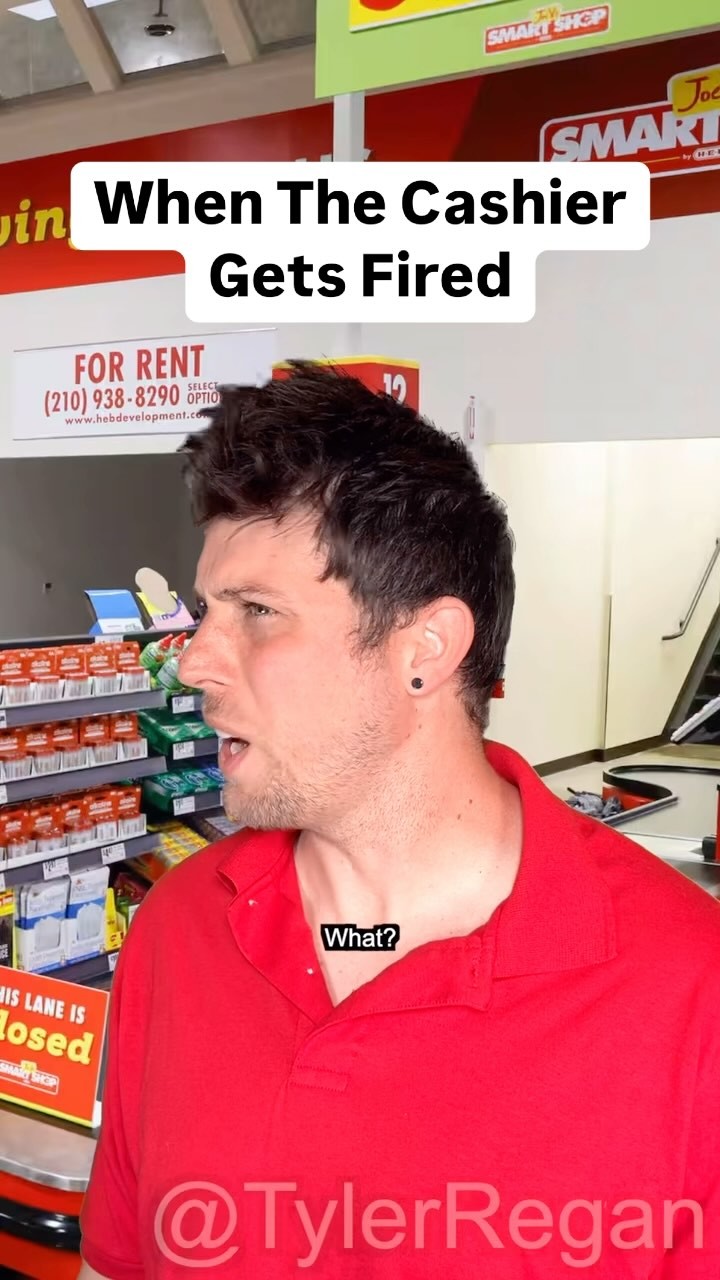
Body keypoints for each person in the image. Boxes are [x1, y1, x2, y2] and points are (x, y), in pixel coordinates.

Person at [79, 364, 720, 1279]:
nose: (195, 663)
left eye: (257, 612)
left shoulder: (691, 995)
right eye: (209, 610)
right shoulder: (178, 933)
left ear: (426, 649)